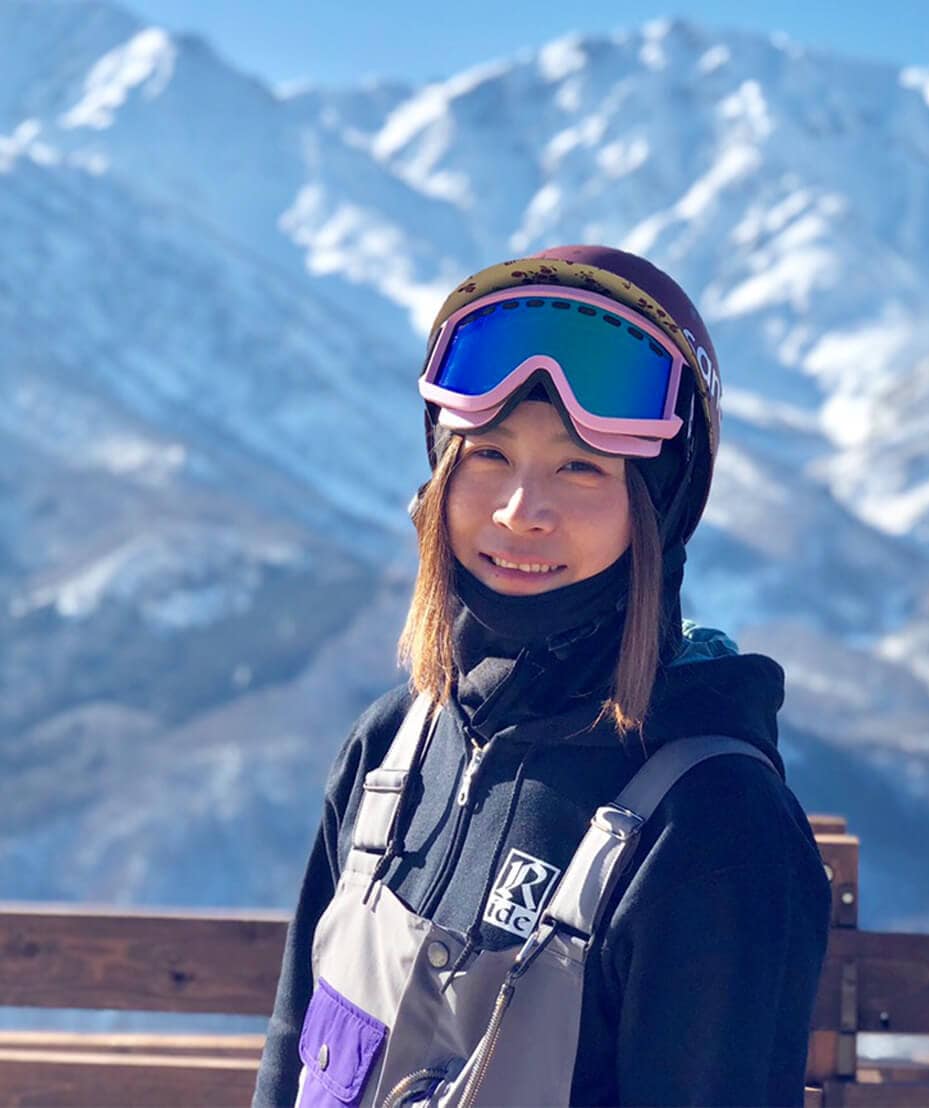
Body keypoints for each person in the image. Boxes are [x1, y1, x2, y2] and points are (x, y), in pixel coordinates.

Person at [253, 245, 831, 1108]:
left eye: (580, 466)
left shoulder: (711, 825)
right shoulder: (391, 753)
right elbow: (291, 1053)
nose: (521, 512)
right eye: (488, 455)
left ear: (660, 507)